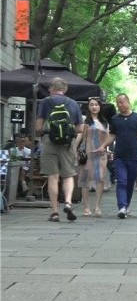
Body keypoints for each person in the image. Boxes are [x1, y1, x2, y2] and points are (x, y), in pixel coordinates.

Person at [35, 77, 84, 222]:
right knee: (68, 175)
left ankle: (55, 212)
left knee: (53, 176)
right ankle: (68, 202)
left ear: (51, 89)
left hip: (49, 142)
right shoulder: (73, 103)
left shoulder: (45, 102)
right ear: (65, 89)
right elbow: (80, 128)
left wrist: (46, 131)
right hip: (67, 144)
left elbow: (38, 127)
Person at [97, 94, 137, 218]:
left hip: (134, 156)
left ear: (128, 102)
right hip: (119, 156)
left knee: (130, 182)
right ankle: (121, 207)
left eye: (122, 102)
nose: (120, 105)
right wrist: (103, 145)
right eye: (118, 103)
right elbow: (112, 135)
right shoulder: (115, 119)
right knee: (121, 181)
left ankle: (126, 206)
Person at [76, 98, 110, 216]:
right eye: (91, 105)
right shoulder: (85, 121)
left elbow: (108, 138)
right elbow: (80, 136)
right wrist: (74, 149)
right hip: (87, 153)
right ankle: (86, 207)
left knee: (100, 179)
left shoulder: (105, 122)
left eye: (96, 105)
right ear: (88, 107)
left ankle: (97, 206)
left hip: (101, 154)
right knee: (85, 180)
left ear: (100, 107)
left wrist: (106, 148)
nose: (94, 107)